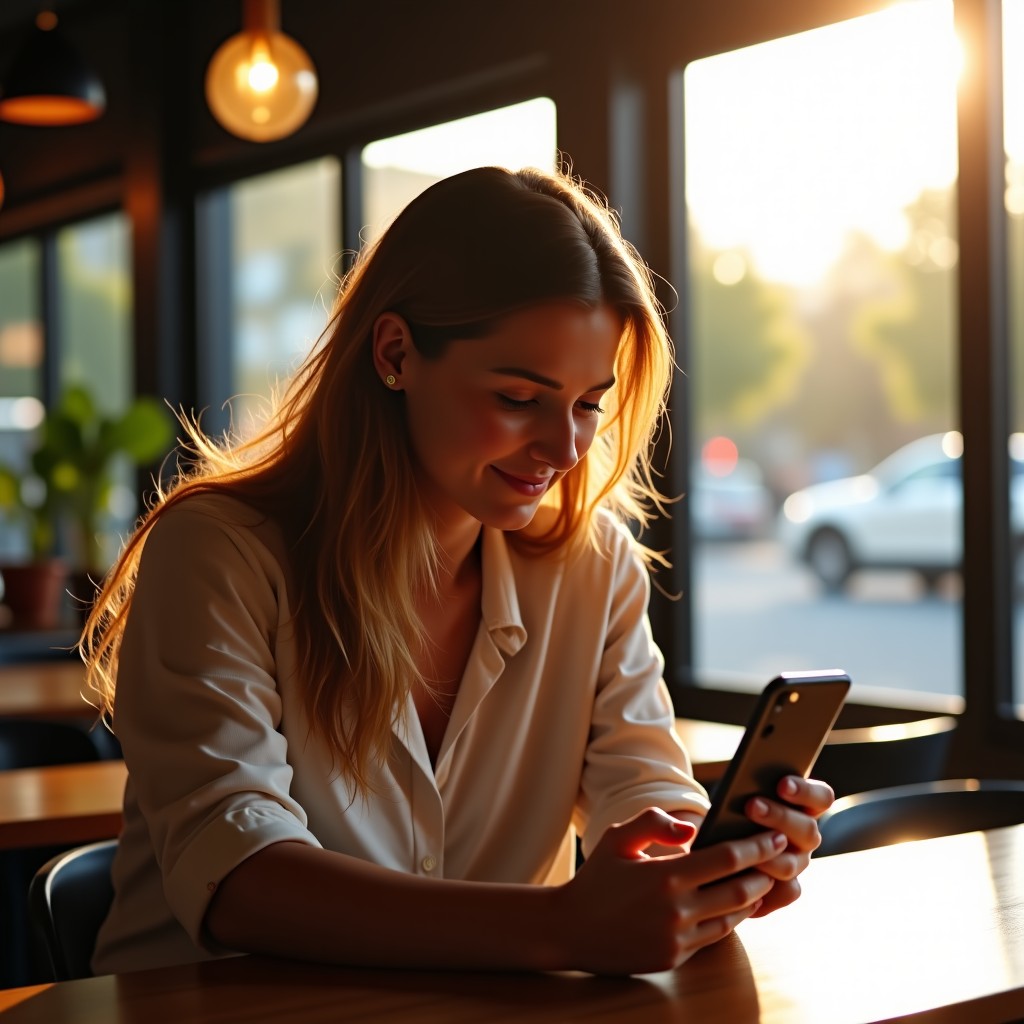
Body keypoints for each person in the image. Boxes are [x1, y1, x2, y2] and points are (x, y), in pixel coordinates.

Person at [83, 165, 833, 978]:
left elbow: (646, 791)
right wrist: (559, 928)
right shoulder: (220, 550)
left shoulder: (595, 565)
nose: (566, 449)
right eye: (519, 398)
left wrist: (708, 869)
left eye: (588, 403)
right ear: (396, 353)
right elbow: (238, 876)